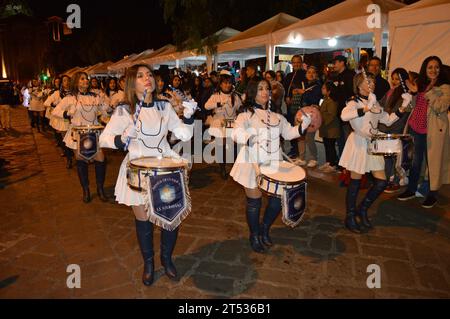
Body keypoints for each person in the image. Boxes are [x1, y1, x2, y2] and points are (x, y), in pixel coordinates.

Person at [99, 64, 196, 286]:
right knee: (143, 221)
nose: (147, 79)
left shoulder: (164, 106)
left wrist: (189, 118)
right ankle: (149, 263)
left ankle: (167, 259)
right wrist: (122, 138)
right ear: (132, 84)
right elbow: (104, 139)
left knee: (170, 218)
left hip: (165, 168)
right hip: (138, 170)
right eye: (140, 76)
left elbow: (183, 134)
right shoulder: (124, 110)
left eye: (149, 75)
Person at [230, 79, 311, 253]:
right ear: (253, 92)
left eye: (267, 88)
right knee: (254, 202)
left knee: (276, 201)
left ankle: (265, 228)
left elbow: (289, 133)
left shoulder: (277, 116)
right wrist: (250, 137)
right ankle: (254, 234)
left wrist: (303, 124)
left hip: (274, 164)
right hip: (251, 162)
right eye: (260, 89)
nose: (265, 92)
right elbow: (236, 133)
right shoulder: (246, 114)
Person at [339, 72, 408, 233]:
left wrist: (403, 106)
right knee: (355, 183)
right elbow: (344, 116)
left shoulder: (375, 104)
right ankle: (349, 217)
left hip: (373, 144)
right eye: (367, 81)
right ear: (359, 85)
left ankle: (362, 209)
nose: (372, 84)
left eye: (373, 81)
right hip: (358, 144)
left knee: (381, 182)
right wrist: (365, 108)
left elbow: (388, 120)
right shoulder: (353, 102)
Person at [398, 56, 450, 208]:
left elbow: (441, 107)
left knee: (433, 164)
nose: (433, 70)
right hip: (416, 127)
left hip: (433, 130)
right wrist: (412, 94)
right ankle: (412, 189)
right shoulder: (420, 85)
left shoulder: (445, 87)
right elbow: (416, 105)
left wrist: (428, 91)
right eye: (430, 67)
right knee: (415, 161)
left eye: (436, 67)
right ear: (424, 69)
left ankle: (432, 194)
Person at [53, 72, 109, 202]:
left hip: (94, 133)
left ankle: (100, 189)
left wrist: (106, 105)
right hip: (78, 134)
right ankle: (86, 190)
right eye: (82, 79)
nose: (86, 81)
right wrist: (67, 113)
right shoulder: (70, 98)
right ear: (76, 82)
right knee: (81, 161)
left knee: (100, 159)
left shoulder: (95, 96)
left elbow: (104, 110)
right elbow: (56, 111)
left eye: (87, 79)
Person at [378, 68, 410, 193]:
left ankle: (395, 181)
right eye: (393, 78)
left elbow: (399, 115)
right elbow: (380, 105)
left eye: (398, 79)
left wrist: (387, 123)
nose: (394, 81)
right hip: (386, 127)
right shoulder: (390, 91)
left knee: (396, 157)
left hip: (395, 129)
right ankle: (388, 179)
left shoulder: (404, 96)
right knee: (387, 156)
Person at [205, 70, 242, 179]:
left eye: (230, 83)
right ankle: (222, 168)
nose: (228, 85)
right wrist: (218, 104)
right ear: (221, 84)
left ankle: (235, 168)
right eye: (225, 83)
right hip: (219, 124)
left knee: (233, 147)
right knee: (221, 147)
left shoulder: (235, 96)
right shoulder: (216, 95)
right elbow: (206, 106)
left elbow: (239, 108)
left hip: (231, 123)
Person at [294, 66, 322, 168]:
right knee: (300, 136)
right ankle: (301, 158)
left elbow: (316, 98)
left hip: (312, 114)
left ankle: (313, 158)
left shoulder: (318, 86)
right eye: (309, 72)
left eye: (313, 72)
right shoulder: (304, 84)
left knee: (309, 137)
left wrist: (304, 92)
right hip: (301, 112)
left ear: (316, 74)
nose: (311, 74)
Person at [45, 75, 73, 168]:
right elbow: (46, 103)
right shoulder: (57, 93)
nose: (67, 82)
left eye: (68, 80)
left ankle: (75, 154)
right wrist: (54, 104)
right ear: (62, 83)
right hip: (62, 120)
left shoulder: (74, 92)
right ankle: (69, 159)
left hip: (74, 119)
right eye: (64, 81)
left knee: (74, 138)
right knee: (65, 139)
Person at [331, 55, 355, 160]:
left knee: (348, 138)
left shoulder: (350, 75)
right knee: (340, 138)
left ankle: (349, 162)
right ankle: (342, 161)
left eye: (335, 62)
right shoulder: (335, 76)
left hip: (349, 113)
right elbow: (333, 94)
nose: (334, 65)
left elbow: (352, 93)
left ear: (342, 63)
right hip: (339, 112)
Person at [283, 55, 307, 157]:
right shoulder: (288, 75)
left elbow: (304, 90)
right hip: (289, 106)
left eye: (298, 62)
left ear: (301, 63)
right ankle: (294, 148)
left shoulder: (304, 75)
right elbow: (284, 89)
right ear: (291, 63)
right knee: (290, 127)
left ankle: (300, 151)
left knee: (298, 128)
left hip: (299, 106)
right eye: (294, 62)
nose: (296, 64)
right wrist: (287, 97)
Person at [318, 81, 340, 173]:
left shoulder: (332, 101)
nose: (322, 90)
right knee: (327, 145)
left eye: (324, 88)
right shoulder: (325, 99)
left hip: (331, 128)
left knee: (330, 146)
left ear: (329, 91)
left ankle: (333, 164)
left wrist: (321, 120)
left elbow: (331, 115)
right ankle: (328, 162)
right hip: (325, 127)